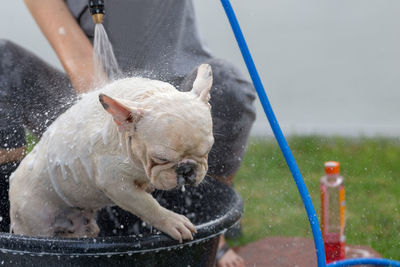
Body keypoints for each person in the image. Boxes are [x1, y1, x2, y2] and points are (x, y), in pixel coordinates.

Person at [0, 0, 256, 266]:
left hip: (177, 90)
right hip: (96, 99)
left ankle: (207, 228)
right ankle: (12, 209)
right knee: (2, 61)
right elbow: (81, 66)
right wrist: (116, 117)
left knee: (229, 86)